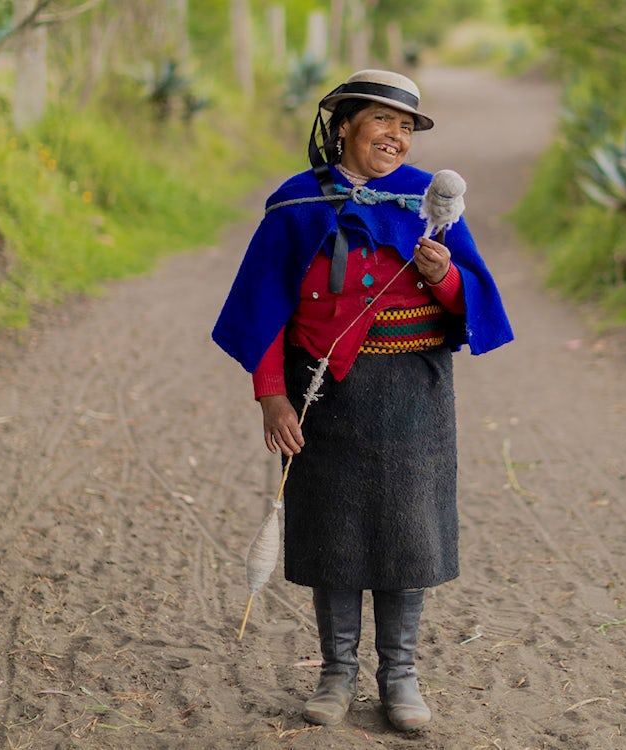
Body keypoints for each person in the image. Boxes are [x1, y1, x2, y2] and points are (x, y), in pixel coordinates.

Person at [212, 69, 513, 732]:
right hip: (326, 395)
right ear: (344, 124)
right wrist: (272, 396)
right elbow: (262, 310)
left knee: (410, 535)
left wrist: (447, 278)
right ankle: (336, 673)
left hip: (414, 393)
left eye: (407, 127)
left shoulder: (428, 200)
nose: (397, 137)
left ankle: (400, 676)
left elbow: (479, 300)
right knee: (335, 534)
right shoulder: (295, 204)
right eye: (383, 121)